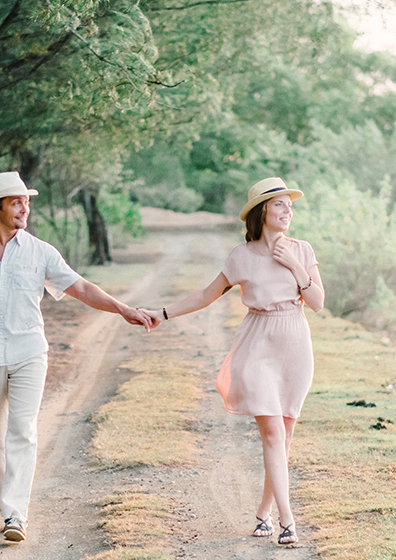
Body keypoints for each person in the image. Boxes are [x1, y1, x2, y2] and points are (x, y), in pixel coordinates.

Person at [0, 171, 154, 543]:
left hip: (30, 352)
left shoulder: (40, 251)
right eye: (16, 202)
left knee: (23, 431)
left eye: (26, 201)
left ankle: (16, 514)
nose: (24, 208)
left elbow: (79, 287)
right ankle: (8, 509)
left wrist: (122, 308)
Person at [145, 177, 324, 545]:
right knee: (272, 433)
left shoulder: (302, 250)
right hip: (258, 343)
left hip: (295, 344)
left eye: (290, 205)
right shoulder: (240, 257)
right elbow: (205, 295)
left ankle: (264, 513)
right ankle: (288, 522)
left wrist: (294, 264)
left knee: (284, 438)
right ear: (262, 212)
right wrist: (162, 313)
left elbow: (318, 301)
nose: (288, 210)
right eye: (279, 204)